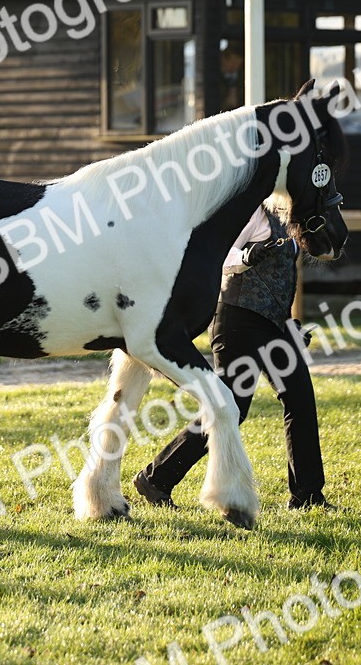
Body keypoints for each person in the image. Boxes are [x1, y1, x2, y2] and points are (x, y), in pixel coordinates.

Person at [133, 203, 330, 510]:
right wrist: (245, 257)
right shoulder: (252, 211)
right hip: (239, 320)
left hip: (276, 326)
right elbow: (221, 255)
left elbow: (280, 281)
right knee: (232, 407)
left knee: (301, 401)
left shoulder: (290, 220)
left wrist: (290, 328)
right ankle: (157, 478)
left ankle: (308, 497)